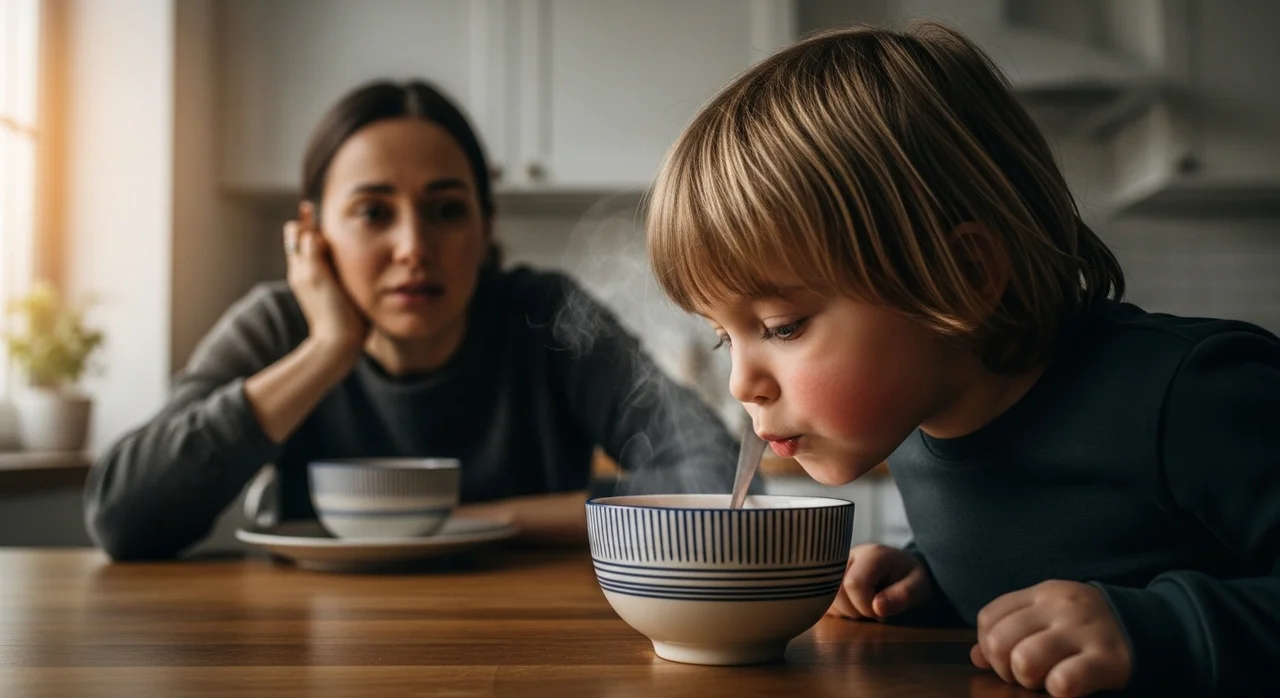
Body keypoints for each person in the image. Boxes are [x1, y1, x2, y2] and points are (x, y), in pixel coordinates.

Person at [644, 21, 1280, 698]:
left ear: (964, 275)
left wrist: (1162, 627)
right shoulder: (919, 424)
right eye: (723, 336)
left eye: (784, 326)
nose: (742, 382)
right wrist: (934, 580)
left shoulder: (1196, 395)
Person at [85, 79, 738, 561]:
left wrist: (471, 518)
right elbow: (123, 518)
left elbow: (720, 479)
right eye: (373, 213)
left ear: (486, 228)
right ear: (312, 234)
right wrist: (328, 350)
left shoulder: (542, 314)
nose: (414, 248)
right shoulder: (277, 327)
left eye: (447, 210)